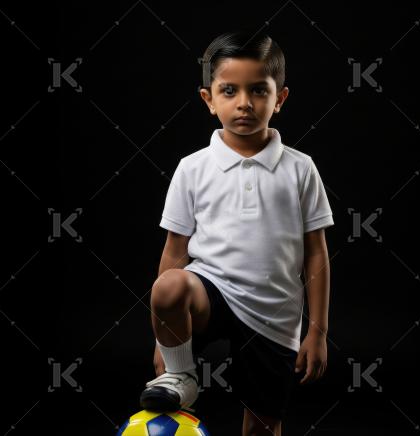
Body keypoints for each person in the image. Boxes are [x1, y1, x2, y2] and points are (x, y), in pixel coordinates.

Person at [139, 30, 334, 436]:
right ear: (209, 100)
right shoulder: (192, 168)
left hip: (273, 314)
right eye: (229, 90)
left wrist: (317, 331)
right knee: (169, 287)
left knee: (263, 425)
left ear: (279, 98)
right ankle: (182, 377)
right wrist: (164, 342)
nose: (244, 103)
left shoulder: (301, 169)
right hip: (211, 291)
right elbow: (175, 250)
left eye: (258, 91)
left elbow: (316, 253)